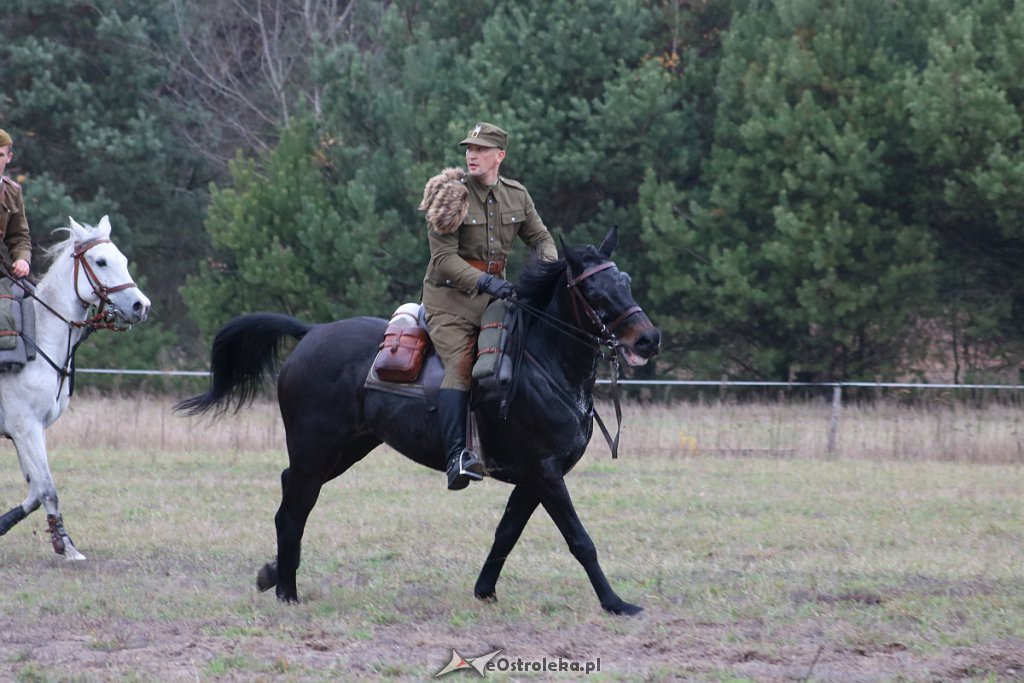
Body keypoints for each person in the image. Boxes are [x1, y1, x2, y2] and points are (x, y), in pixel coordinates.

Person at [419, 122, 557, 490]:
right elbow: (443, 260)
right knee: (463, 365)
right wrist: (485, 281)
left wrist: (547, 270)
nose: (471, 155)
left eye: (480, 149)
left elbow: (540, 238)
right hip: (449, 303)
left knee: (522, 361)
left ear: (500, 156)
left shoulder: (517, 195)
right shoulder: (450, 196)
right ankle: (457, 457)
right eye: (469, 148)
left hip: (498, 301)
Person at [0, 129, 32, 279]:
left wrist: (22, 259)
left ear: (9, 157)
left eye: (0, 155)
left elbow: (19, 236)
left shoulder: (13, 191)